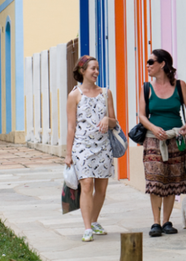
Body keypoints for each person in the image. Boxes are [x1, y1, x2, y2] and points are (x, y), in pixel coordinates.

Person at [139, 49, 186, 237]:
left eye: (151, 62)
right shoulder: (147, 87)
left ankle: (166, 221)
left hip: (175, 139)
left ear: (162, 64)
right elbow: (141, 115)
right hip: (153, 140)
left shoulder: (180, 86)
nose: (148, 66)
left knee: (172, 181)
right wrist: (154, 128)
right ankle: (155, 222)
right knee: (155, 181)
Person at [65, 55, 118, 242]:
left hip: (103, 147)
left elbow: (114, 121)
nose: (96, 72)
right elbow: (71, 127)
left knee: (101, 189)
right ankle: (87, 227)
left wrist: (107, 119)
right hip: (82, 147)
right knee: (86, 184)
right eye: (92, 68)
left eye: (97, 68)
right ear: (82, 71)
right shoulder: (74, 95)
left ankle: (94, 221)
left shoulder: (106, 93)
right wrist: (68, 153)